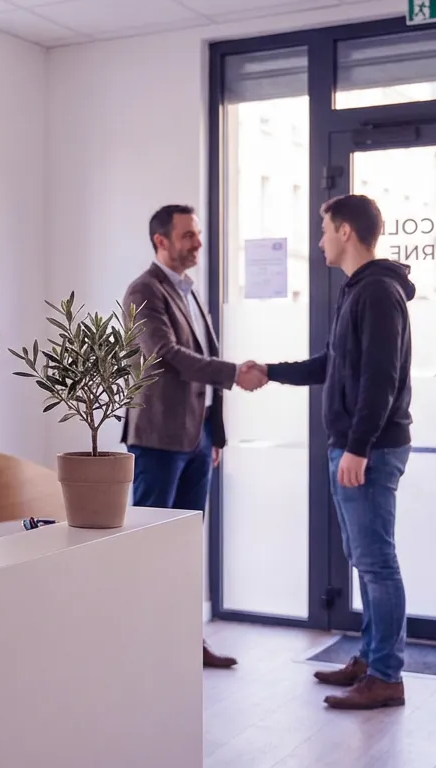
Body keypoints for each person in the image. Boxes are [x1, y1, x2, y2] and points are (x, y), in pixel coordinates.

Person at [240, 194, 415, 710]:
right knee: (366, 561)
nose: (319, 242)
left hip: (370, 451)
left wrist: (358, 449)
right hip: (354, 447)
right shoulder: (358, 292)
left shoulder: (378, 293)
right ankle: (371, 659)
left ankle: (386, 676)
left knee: (377, 564)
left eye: (323, 231)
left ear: (344, 231)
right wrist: (270, 371)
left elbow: (381, 380)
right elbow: (331, 365)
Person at [121, 204, 265, 670]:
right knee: (149, 544)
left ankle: (185, 643)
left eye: (197, 234)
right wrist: (233, 373)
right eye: (188, 236)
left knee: (183, 547)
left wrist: (215, 435)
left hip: (197, 438)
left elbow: (201, 361)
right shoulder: (144, 290)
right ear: (161, 241)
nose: (198, 243)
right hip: (159, 439)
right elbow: (165, 355)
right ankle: (140, 645)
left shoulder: (188, 291)